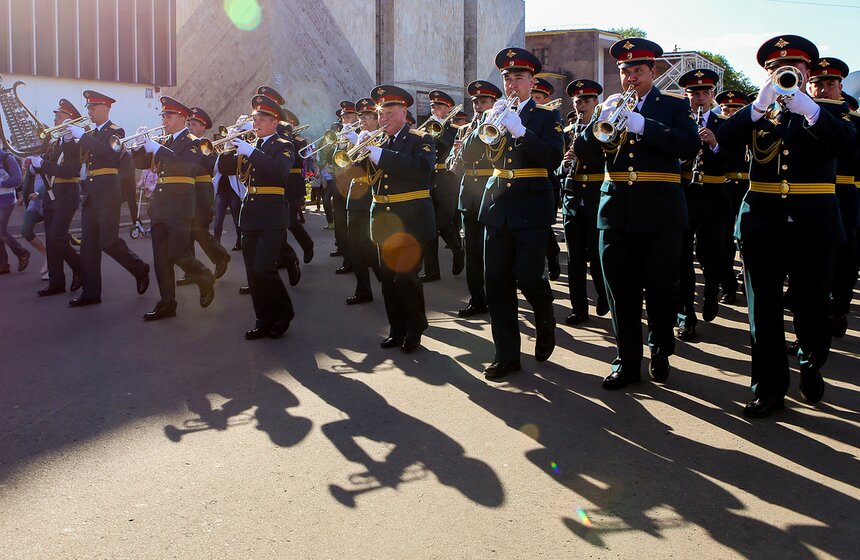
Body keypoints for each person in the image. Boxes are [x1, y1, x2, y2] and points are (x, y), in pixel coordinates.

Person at [716, 35, 858, 417]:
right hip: (762, 222)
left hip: (814, 224)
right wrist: (758, 106)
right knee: (762, 311)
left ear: (808, 71)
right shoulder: (757, 111)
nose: (786, 74)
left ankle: (811, 363)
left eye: (795, 68)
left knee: (813, 308)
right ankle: (769, 388)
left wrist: (809, 108)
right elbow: (723, 143)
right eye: (777, 69)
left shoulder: (833, 112)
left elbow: (850, 148)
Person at [575, 38, 699, 390]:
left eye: (638, 71)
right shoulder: (609, 108)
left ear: (652, 71)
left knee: (660, 288)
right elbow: (584, 150)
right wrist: (599, 118)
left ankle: (659, 348)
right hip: (615, 212)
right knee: (620, 292)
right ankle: (627, 361)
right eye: (625, 71)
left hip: (661, 214)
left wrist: (643, 125)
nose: (631, 78)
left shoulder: (672, 106)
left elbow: (688, 144)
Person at [460, 47, 563, 379]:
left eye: (519, 77)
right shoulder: (494, 114)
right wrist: (483, 126)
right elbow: (466, 159)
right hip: (496, 207)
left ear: (532, 81)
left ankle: (544, 315)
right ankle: (506, 355)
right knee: (497, 284)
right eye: (507, 78)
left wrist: (520, 131)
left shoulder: (546, 117)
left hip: (531, 206)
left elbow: (551, 159)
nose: (512, 83)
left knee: (530, 277)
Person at [363, 84, 436, 352]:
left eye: (389, 114)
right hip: (384, 222)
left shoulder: (421, 138)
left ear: (404, 111)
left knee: (406, 279)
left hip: (412, 221)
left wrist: (380, 154)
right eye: (380, 115)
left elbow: (421, 170)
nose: (383, 120)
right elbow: (365, 177)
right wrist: (358, 149)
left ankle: (415, 329)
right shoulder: (379, 141)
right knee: (388, 281)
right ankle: (396, 328)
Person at [218, 93, 296, 339]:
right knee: (252, 272)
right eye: (255, 119)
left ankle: (283, 313)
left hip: (272, 215)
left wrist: (250, 151)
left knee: (264, 268)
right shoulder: (249, 145)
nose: (257, 123)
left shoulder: (283, 145)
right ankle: (263, 318)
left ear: (274, 122)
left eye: (262, 119)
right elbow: (225, 168)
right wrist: (227, 148)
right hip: (249, 213)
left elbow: (278, 172)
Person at [132, 96, 216, 321]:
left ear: (181, 118)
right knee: (161, 259)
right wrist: (138, 147)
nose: (165, 119)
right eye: (163, 116)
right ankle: (167, 303)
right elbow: (140, 164)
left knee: (178, 252)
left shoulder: (193, 141)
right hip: (161, 205)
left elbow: (187, 166)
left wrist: (157, 149)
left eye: (169, 116)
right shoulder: (165, 142)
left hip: (181, 206)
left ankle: (204, 275)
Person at [63, 91, 150, 306]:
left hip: (109, 192)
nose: (90, 112)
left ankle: (140, 268)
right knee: (88, 245)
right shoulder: (91, 134)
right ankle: (91, 293)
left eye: (93, 108)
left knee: (108, 242)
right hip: (92, 193)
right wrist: (67, 141)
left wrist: (81, 136)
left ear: (105, 108)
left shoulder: (115, 131)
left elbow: (109, 155)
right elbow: (75, 158)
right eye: (89, 108)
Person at [675, 68, 733, 341]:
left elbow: (736, 162)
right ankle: (686, 314)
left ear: (712, 95)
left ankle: (711, 292)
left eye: (704, 92)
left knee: (713, 254)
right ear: (686, 96)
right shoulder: (680, 121)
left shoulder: (725, 123)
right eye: (694, 93)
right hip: (685, 193)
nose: (699, 98)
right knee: (681, 257)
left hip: (714, 194)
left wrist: (715, 144)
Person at [807, 57, 858, 339]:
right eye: (818, 84)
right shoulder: (798, 115)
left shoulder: (853, 121)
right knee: (812, 265)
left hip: (845, 195)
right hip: (810, 197)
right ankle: (811, 326)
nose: (824, 89)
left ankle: (839, 307)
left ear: (840, 87)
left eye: (830, 84)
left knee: (846, 258)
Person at [448, 80, 502, 318]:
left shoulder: (499, 126)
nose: (479, 106)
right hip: (469, 194)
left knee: (493, 250)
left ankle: (497, 295)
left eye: (484, 101)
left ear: (494, 104)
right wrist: (458, 151)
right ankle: (477, 298)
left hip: (491, 192)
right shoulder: (464, 129)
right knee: (472, 249)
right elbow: (454, 164)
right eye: (476, 102)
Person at [561, 79, 608, 325]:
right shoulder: (568, 131)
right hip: (573, 198)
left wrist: (583, 151)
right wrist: (565, 163)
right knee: (575, 259)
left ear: (596, 103)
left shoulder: (604, 128)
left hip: (596, 196)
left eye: (586, 100)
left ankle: (603, 295)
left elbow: (610, 163)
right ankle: (578, 307)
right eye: (577, 101)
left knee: (598, 255)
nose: (581, 105)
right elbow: (557, 166)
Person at [28, 98, 84, 295]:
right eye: (56, 116)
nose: (55, 120)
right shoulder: (55, 142)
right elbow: (49, 168)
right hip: (51, 196)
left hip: (66, 194)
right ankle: (56, 282)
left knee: (58, 238)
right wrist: (37, 164)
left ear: (70, 120)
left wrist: (43, 165)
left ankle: (80, 268)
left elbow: (69, 171)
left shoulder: (75, 144)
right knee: (51, 242)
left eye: (59, 116)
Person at [176, 106, 230, 287]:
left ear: (203, 128)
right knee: (186, 233)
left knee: (198, 230)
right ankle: (191, 271)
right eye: (189, 123)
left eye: (194, 124)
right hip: (188, 190)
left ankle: (221, 257)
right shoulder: (186, 143)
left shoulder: (205, 144)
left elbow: (210, 165)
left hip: (201, 189)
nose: (190, 126)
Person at [420, 89, 465, 283]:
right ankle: (432, 271)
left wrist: (439, 129)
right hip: (428, 180)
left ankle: (459, 251)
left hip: (446, 180)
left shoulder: (456, 128)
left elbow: (449, 146)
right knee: (429, 228)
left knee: (444, 224)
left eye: (439, 107)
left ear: (448, 109)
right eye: (433, 107)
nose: (435, 110)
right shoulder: (425, 128)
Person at [344, 97, 382, 305]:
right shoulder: (356, 139)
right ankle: (363, 290)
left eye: (368, 117)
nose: (363, 121)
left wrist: (369, 146)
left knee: (370, 246)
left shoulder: (382, 139)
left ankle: (386, 283)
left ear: (377, 120)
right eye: (361, 117)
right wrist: (355, 146)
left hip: (372, 195)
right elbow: (346, 170)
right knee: (355, 247)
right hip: (355, 196)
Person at [715, 90, 750, 306]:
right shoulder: (719, 130)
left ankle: (747, 277)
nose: (730, 113)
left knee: (747, 239)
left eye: (735, 110)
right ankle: (728, 285)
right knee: (725, 240)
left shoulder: (751, 127)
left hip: (749, 187)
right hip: (725, 187)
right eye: (726, 110)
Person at [531, 77, 563, 281]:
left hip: (545, 178)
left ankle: (552, 256)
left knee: (544, 226)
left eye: (538, 97)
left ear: (546, 98)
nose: (534, 100)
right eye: (532, 96)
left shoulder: (550, 116)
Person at [0, 144, 28, 274]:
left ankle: (22, 252)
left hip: (6, 199)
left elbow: (17, 179)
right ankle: (2, 264)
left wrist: (1, 183)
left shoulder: (7, 158)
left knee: (0, 230)